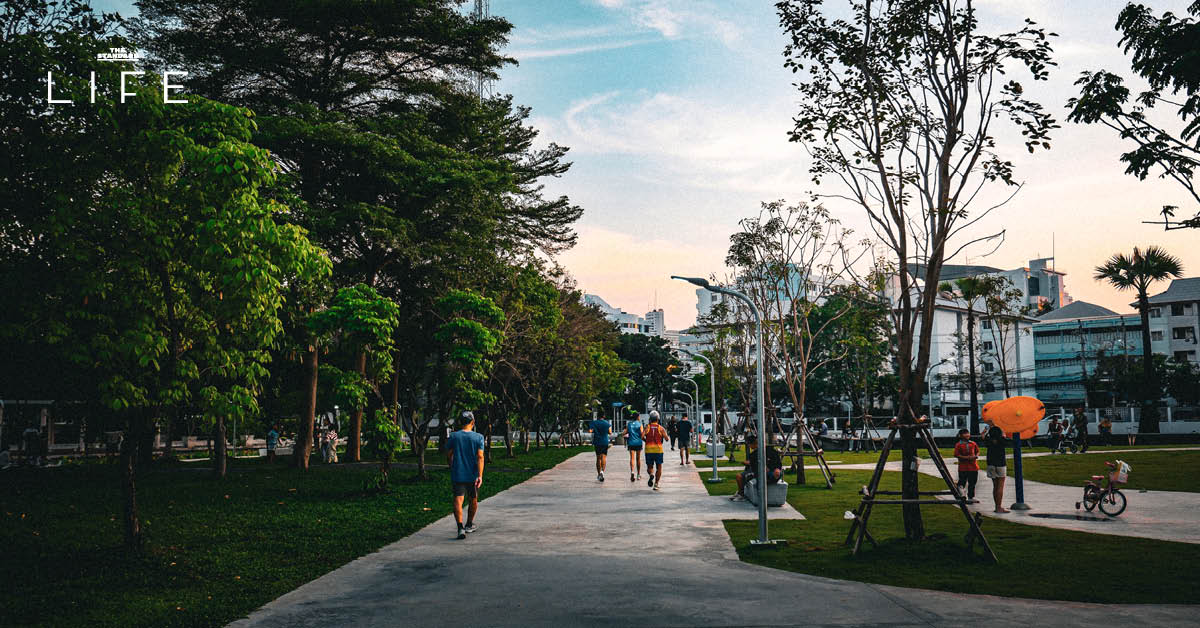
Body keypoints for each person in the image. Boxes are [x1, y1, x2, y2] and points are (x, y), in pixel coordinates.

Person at [446, 410, 486, 540]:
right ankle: (469, 524)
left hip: (458, 473)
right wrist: (480, 475)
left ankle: (460, 528)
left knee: (458, 500)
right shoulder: (478, 437)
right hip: (472, 475)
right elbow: (480, 456)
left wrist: (452, 466)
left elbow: (449, 454)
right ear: (473, 422)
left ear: (460, 422)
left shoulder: (453, 436)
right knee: (473, 499)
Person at [730, 437, 783, 502]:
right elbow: (754, 466)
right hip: (758, 471)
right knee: (740, 476)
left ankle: (742, 494)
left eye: (750, 444)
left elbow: (777, 463)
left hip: (768, 472)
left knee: (743, 477)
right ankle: (740, 493)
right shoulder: (753, 454)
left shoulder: (771, 451)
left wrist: (775, 469)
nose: (749, 446)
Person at [983, 425, 1010, 513]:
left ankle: (996, 506)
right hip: (1000, 464)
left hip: (991, 464)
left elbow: (983, 436)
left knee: (995, 486)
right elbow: (1006, 438)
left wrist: (986, 430)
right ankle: (999, 507)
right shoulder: (1002, 440)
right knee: (1000, 486)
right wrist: (1003, 432)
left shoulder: (988, 440)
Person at [642, 411, 669, 490]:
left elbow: (642, 436)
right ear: (658, 419)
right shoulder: (661, 428)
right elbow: (667, 439)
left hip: (649, 450)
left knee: (649, 467)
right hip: (658, 450)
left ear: (650, 419)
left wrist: (646, 441)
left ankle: (651, 474)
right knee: (659, 467)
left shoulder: (647, 427)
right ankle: (656, 484)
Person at [953, 428, 979, 503]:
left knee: (972, 482)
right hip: (963, 468)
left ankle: (971, 497)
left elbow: (977, 451)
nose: (967, 435)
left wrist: (976, 456)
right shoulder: (958, 445)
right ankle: (961, 495)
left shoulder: (973, 443)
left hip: (974, 467)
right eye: (965, 433)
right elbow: (956, 454)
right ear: (961, 435)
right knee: (962, 482)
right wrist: (966, 458)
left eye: (968, 433)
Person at [589, 412, 613, 482]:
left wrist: (595, 430)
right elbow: (610, 432)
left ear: (598, 416)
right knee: (604, 457)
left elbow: (590, 431)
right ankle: (602, 471)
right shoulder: (607, 423)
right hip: (605, 442)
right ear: (604, 416)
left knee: (598, 458)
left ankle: (599, 473)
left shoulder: (594, 423)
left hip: (597, 442)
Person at [625, 411, 644, 482]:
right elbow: (642, 434)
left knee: (632, 458)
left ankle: (632, 471)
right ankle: (638, 474)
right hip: (638, 443)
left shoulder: (629, 424)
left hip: (631, 443)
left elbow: (624, 432)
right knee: (638, 458)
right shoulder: (640, 424)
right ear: (638, 417)